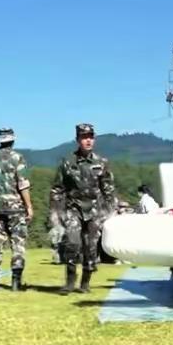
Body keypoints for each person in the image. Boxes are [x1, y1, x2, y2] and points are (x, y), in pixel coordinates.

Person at [53, 123, 115, 294]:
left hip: (95, 210)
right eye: (84, 137)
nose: (88, 141)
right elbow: (57, 189)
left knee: (91, 247)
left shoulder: (101, 162)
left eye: (90, 137)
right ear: (77, 140)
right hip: (73, 208)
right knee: (72, 243)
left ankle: (85, 283)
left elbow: (108, 189)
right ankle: (70, 282)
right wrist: (57, 211)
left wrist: (109, 211)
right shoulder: (67, 162)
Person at [0, 127, 33, 291]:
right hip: (15, 207)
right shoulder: (18, 158)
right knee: (18, 244)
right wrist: (29, 206)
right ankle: (16, 282)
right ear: (13, 140)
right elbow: (22, 184)